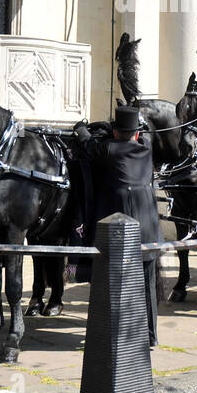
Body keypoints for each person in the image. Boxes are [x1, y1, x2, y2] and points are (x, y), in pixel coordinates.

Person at [74, 104, 162, 347]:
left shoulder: (109, 150)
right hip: (148, 229)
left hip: (121, 231)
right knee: (147, 285)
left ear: (115, 132)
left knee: (113, 283)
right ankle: (151, 335)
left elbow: (88, 145)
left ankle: (116, 332)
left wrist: (80, 128)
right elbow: (141, 135)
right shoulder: (145, 149)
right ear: (135, 133)